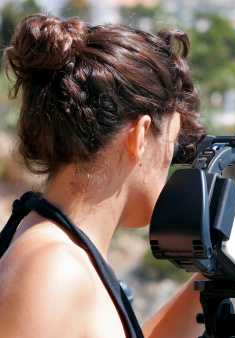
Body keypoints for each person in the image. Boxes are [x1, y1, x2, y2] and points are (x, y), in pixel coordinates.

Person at [0, 13, 209, 337]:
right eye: (174, 142)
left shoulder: (53, 247)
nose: (171, 160)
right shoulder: (55, 269)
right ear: (139, 136)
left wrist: (215, 279)